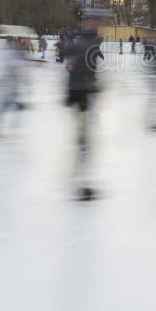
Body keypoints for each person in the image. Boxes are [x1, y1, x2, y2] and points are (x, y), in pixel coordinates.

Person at [64, 30, 102, 200]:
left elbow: (75, 70)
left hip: (83, 97)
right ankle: (81, 185)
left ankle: (80, 183)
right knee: (84, 144)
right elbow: (79, 74)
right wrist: (79, 97)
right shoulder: (88, 48)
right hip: (83, 99)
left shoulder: (84, 47)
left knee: (84, 143)